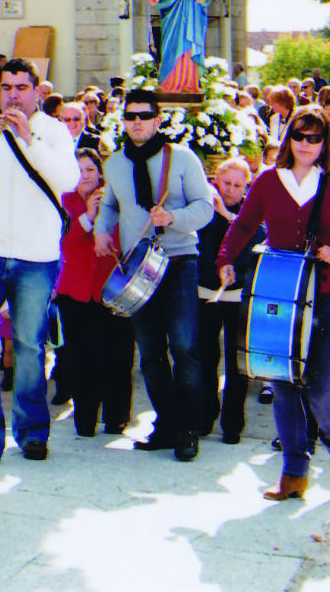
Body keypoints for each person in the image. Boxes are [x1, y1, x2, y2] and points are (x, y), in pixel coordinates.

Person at [217, 107, 330, 500]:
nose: (305, 144)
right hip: (281, 297)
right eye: (299, 136)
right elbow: (244, 224)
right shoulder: (269, 180)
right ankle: (293, 475)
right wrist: (225, 260)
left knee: (319, 387)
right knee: (283, 385)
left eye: (314, 137)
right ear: (289, 139)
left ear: (325, 142)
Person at [0, 58, 79, 464]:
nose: (12, 94)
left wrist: (29, 139)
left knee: (29, 345)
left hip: (37, 256)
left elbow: (68, 180)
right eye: (6, 87)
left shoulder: (54, 132)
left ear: (36, 91)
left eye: (21, 87)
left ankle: (32, 432)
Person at [95, 88, 214, 461]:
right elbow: (112, 203)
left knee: (184, 346)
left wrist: (173, 218)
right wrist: (102, 228)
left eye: (144, 116)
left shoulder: (181, 157)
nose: (136, 122)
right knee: (150, 353)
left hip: (179, 260)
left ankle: (190, 427)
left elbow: (205, 208)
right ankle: (168, 425)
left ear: (157, 119)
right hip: (139, 267)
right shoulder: (115, 163)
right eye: (130, 116)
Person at [55, 148, 134, 437]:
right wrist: (88, 217)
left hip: (111, 289)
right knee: (80, 356)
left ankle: (116, 418)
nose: (84, 176)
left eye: (90, 170)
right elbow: (66, 245)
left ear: (100, 173)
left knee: (117, 356)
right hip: (75, 291)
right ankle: (85, 418)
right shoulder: (64, 201)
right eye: (78, 170)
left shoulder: (115, 200)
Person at [197, 157, 264, 445]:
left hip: (237, 294)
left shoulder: (250, 208)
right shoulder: (203, 202)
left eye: (238, 185)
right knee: (206, 358)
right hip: (205, 292)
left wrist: (226, 213)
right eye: (226, 183)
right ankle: (205, 415)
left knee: (237, 364)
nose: (231, 190)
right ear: (216, 179)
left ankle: (233, 423)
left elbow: (259, 234)